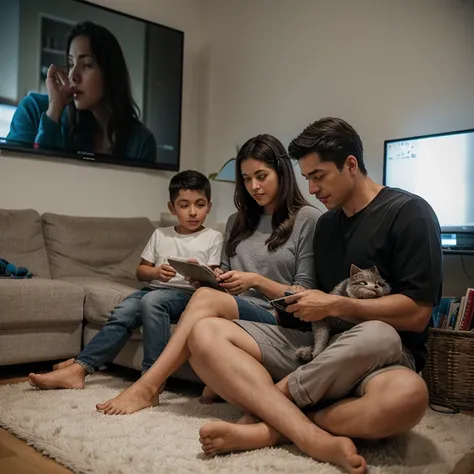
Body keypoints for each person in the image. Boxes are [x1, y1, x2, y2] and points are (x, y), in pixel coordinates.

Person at [185, 118, 443, 474]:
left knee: (407, 395)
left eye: (318, 176)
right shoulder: (326, 225)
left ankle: (271, 423)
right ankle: (306, 432)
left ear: (350, 165)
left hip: (381, 357)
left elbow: (417, 314)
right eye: (306, 177)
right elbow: (312, 307)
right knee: (204, 334)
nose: (312, 187)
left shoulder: (409, 214)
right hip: (317, 348)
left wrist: (337, 303)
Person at [94, 133, 322, 415]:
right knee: (201, 293)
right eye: (247, 179)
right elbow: (224, 274)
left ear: (282, 172)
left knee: (203, 298)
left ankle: (148, 386)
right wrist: (208, 276)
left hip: (278, 315)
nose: (254, 186)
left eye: (261, 176)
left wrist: (256, 281)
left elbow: (304, 294)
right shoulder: (236, 222)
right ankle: (151, 383)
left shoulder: (308, 219)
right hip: (236, 307)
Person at [28, 170, 223, 389]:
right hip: (152, 290)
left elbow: (211, 279)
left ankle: (152, 379)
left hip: (187, 296)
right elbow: (141, 272)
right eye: (184, 205)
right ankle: (79, 369)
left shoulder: (213, 237)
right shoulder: (161, 234)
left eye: (200, 204)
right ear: (172, 208)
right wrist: (157, 272)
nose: (193, 212)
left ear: (209, 206)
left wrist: (200, 276)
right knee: (123, 313)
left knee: (153, 302)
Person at [7, 21, 156, 162]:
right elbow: (21, 177)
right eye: (71, 64)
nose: (73, 75)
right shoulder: (32, 109)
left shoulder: (140, 142)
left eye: (86, 65)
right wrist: (53, 112)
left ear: (111, 73)